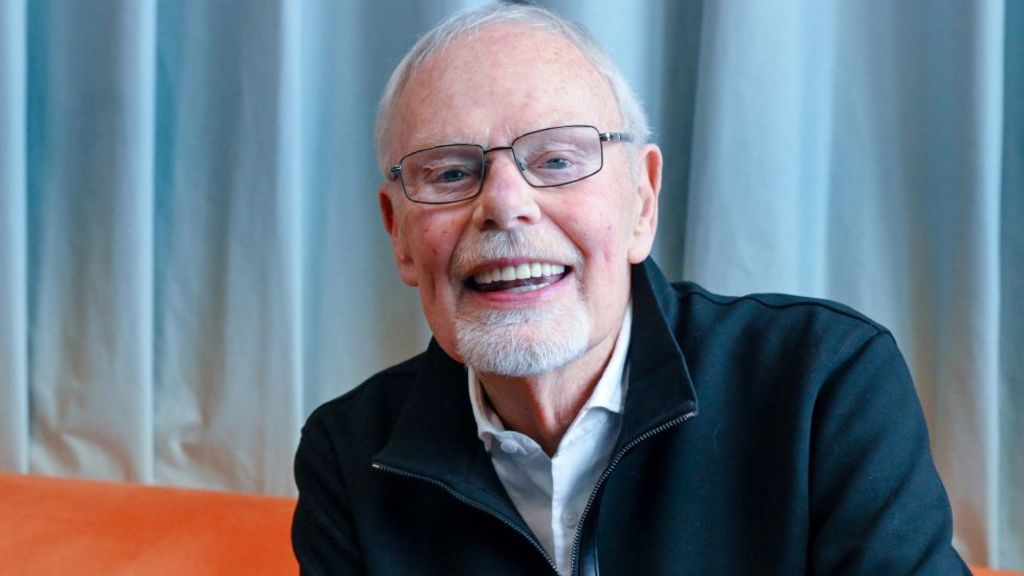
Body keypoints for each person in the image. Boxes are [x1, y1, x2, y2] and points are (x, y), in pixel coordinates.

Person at [292, 3, 970, 575]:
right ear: (400, 237)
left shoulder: (824, 383)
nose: (505, 205)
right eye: (448, 174)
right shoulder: (348, 458)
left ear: (642, 201)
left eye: (556, 159)